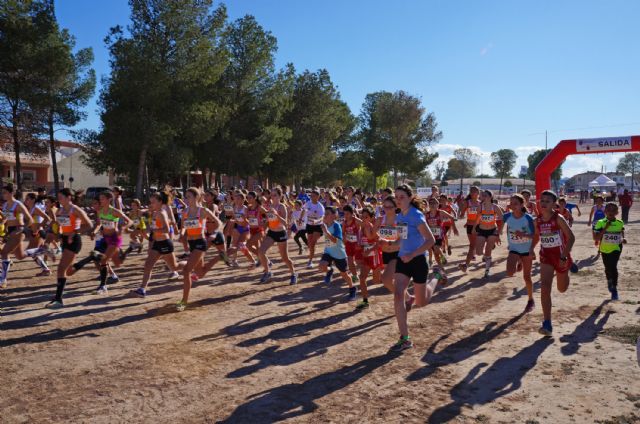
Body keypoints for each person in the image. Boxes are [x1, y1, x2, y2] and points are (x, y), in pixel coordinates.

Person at [392, 185, 437, 351]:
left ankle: (436, 278)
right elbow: (401, 240)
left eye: (401, 196)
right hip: (403, 260)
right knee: (398, 295)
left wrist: (412, 254)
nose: (398, 199)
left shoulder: (416, 216)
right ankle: (405, 338)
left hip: (417, 260)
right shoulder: (399, 217)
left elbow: (430, 240)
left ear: (410, 197)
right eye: (396, 196)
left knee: (421, 302)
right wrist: (389, 244)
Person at [531, 190, 575, 336]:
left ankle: (567, 269)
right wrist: (531, 249)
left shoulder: (558, 218)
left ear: (554, 204)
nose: (543, 203)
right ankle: (547, 323)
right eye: (542, 200)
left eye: (547, 201)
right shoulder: (536, 220)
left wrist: (564, 257)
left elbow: (571, 237)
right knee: (544, 288)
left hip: (561, 257)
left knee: (562, 289)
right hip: (546, 257)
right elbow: (537, 237)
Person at [45, 188, 93, 308]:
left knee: (61, 268)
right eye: (58, 197)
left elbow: (89, 225)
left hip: (74, 241)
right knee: (68, 271)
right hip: (65, 241)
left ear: (68, 198)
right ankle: (91, 257)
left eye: (61, 197)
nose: (59, 199)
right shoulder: (59, 211)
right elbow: (58, 226)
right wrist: (57, 234)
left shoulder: (75, 210)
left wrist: (74, 232)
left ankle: (58, 299)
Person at [176, 187, 220, 311]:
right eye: (186, 196)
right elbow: (184, 226)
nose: (186, 199)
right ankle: (219, 257)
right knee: (200, 272)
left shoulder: (203, 211)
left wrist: (214, 233)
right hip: (191, 243)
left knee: (186, 271)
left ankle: (184, 301)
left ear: (196, 197)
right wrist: (181, 234)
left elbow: (218, 222)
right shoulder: (185, 212)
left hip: (201, 243)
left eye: (188, 196)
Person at [133, 193, 184, 298]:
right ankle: (142, 289)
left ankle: (191, 264)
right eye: (150, 202)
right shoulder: (155, 213)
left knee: (175, 266)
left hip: (165, 243)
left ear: (160, 202)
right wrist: (143, 231)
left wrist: (153, 230)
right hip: (157, 244)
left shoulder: (162, 213)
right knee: (148, 265)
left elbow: (165, 229)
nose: (151, 204)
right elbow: (152, 228)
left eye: (153, 202)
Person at [502, 194, 536, 313]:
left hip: (526, 249)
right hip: (514, 248)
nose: (513, 206)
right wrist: (497, 234)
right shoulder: (506, 216)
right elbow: (500, 225)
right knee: (510, 272)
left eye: (515, 203)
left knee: (527, 277)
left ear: (522, 205)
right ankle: (519, 260)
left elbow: (534, 235)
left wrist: (523, 235)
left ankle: (530, 300)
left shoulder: (528, 218)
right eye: (511, 203)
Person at [257, 187, 298, 285]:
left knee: (285, 258)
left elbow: (286, 223)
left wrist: (276, 215)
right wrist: (264, 222)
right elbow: (269, 220)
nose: (272, 196)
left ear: (280, 196)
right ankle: (268, 272)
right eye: (271, 195)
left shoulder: (281, 207)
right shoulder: (270, 206)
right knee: (261, 252)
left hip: (280, 233)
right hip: (271, 232)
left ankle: (293, 273)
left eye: (275, 195)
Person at [0, 184, 35, 287]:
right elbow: (6, 220)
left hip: (18, 230)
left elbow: (30, 220)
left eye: (5, 192)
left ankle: (3, 280)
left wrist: (22, 230)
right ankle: (40, 250)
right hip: (10, 231)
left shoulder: (18, 204)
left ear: (11, 193)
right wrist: (4, 228)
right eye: (3, 192)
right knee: (20, 256)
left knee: (4, 252)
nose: (3, 194)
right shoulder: (5, 205)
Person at [318, 206, 356, 300]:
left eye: (327, 213)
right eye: (325, 213)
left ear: (334, 216)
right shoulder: (325, 223)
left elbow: (335, 240)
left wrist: (326, 232)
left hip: (339, 254)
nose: (325, 215)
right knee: (322, 266)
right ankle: (330, 270)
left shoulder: (336, 225)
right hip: (328, 251)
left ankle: (352, 288)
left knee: (344, 275)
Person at [593, 202, 626, 300]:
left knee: (614, 267)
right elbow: (596, 238)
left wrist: (623, 238)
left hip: (616, 248)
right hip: (604, 249)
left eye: (613, 210)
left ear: (617, 212)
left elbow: (621, 231)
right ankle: (609, 280)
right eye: (608, 210)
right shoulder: (600, 222)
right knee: (608, 268)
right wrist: (605, 228)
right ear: (605, 211)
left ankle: (614, 289)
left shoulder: (620, 222)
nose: (611, 212)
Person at [467, 190, 503, 277]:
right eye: (482, 195)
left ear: (490, 197)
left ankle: (487, 270)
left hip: (492, 230)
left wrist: (499, 231)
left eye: (485, 195)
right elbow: (477, 218)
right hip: (482, 230)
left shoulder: (495, 207)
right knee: (479, 252)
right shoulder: (480, 207)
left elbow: (502, 219)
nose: (483, 197)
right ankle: (486, 255)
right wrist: (474, 228)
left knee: (488, 252)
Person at [355, 206, 383, 309]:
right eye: (362, 217)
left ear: (371, 218)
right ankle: (365, 301)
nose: (364, 219)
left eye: (366, 217)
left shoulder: (372, 228)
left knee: (377, 281)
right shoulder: (361, 229)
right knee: (362, 278)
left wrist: (370, 250)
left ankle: (396, 286)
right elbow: (363, 243)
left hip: (374, 256)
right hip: (366, 257)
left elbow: (379, 243)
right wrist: (360, 247)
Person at [458, 186, 481, 271]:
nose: (473, 193)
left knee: (472, 245)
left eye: (475, 191)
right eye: (471, 191)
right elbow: (462, 213)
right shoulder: (468, 203)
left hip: (478, 226)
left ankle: (466, 264)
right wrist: (462, 214)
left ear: (478, 193)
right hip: (470, 226)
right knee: (472, 244)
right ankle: (473, 256)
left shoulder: (480, 203)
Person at [304, 190, 325, 269]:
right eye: (310, 196)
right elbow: (303, 210)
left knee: (312, 243)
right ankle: (312, 255)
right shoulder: (308, 203)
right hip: (309, 225)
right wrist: (300, 218)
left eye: (313, 196)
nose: (311, 197)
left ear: (317, 196)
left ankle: (310, 261)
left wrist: (316, 221)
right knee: (310, 244)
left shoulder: (320, 206)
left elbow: (322, 218)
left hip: (318, 226)